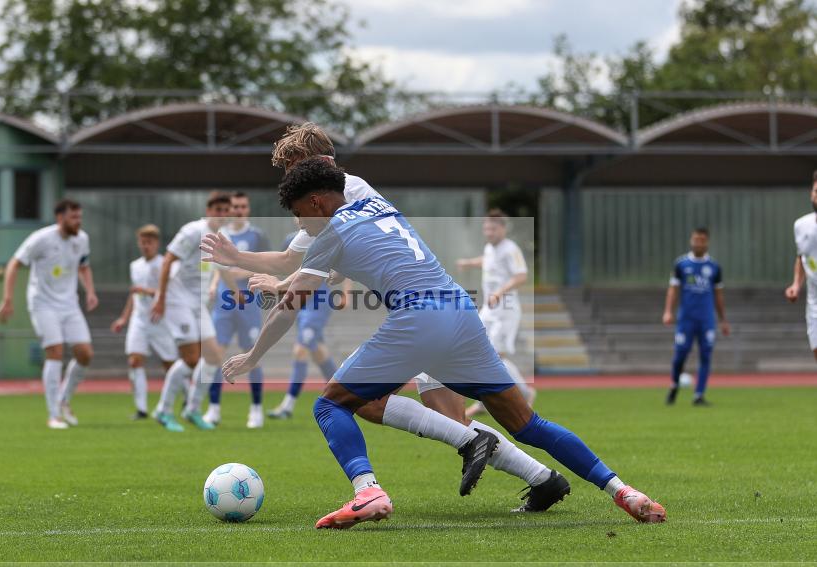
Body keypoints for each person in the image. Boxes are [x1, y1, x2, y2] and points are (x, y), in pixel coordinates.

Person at [207, 158, 666, 529]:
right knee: (528, 423)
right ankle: (624, 491)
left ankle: (369, 491)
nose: (300, 224)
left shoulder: (327, 231)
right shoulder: (374, 201)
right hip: (460, 313)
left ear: (316, 201)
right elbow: (303, 258)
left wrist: (253, 356)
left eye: (298, 213)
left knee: (330, 405)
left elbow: (290, 306)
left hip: (418, 319)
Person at [203, 122, 570, 513]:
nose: (289, 176)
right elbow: (294, 259)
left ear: (312, 162)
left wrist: (285, 291)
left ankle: (376, 488)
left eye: (291, 166)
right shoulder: (318, 201)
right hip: (425, 309)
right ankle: (542, 479)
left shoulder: (347, 189)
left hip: (421, 311)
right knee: (439, 415)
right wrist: (241, 260)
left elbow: (323, 261)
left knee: (360, 403)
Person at [0, 199, 97, 429]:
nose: (78, 221)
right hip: (43, 304)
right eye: (73, 217)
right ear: (60, 218)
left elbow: (84, 265)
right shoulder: (40, 239)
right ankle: (54, 415)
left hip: (70, 304)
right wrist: (8, 299)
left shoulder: (82, 239)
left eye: (80, 217)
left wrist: (90, 291)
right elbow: (14, 264)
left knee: (85, 354)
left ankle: (64, 399)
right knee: (55, 352)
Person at [150, 192, 230, 432]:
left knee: (214, 356)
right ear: (208, 210)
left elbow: (221, 269)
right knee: (191, 358)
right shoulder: (193, 231)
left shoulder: (220, 238)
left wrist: (236, 291)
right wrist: (161, 297)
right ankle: (163, 411)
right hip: (177, 299)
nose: (222, 215)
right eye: (218, 210)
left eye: (226, 211)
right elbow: (167, 261)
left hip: (198, 304)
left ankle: (192, 409)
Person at [257, 222, 350, 419]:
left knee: (301, 349)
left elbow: (345, 263)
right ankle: (344, 396)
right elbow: (281, 265)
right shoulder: (292, 240)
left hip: (319, 302)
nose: (299, 217)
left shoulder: (327, 237)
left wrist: (346, 293)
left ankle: (288, 406)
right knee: (317, 351)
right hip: (299, 302)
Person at [457, 209, 536, 417]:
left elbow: (521, 276)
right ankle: (487, 400)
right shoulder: (490, 249)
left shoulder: (511, 249)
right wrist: (468, 263)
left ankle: (524, 393)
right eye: (486, 228)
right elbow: (487, 260)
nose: (488, 232)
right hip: (490, 308)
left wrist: (500, 292)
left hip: (505, 309)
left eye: (492, 228)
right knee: (479, 349)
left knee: (494, 356)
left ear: (502, 228)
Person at [204, 191, 271, 428]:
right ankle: (213, 409)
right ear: (229, 209)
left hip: (248, 303)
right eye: (235, 206)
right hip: (224, 303)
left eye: (243, 206)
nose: (239, 210)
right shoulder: (221, 236)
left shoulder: (257, 236)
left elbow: (266, 266)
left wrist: (242, 270)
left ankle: (256, 409)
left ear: (248, 209)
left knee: (252, 356)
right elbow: (216, 268)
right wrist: (214, 285)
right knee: (214, 355)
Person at [110, 225, 179, 419]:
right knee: (134, 360)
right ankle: (141, 408)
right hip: (139, 320)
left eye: (149, 242)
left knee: (170, 365)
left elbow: (169, 292)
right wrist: (124, 317)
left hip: (159, 320)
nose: (146, 246)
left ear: (157, 243)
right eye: (143, 242)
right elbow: (134, 294)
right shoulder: (135, 265)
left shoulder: (164, 264)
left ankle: (185, 400)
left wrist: (146, 291)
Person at [662, 227, 730, 406]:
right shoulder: (681, 264)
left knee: (706, 355)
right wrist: (668, 311)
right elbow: (673, 290)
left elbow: (718, 296)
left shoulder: (714, 267)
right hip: (686, 319)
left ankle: (698, 394)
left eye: (702, 240)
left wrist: (723, 320)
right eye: (695, 239)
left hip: (706, 319)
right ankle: (674, 384)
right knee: (680, 355)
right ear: (691, 241)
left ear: (707, 242)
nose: (698, 243)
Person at [785, 170, 817, 363]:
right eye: (815, 191)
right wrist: (796, 284)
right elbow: (802, 257)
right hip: (814, 302)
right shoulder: (801, 225)